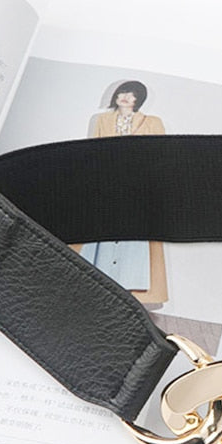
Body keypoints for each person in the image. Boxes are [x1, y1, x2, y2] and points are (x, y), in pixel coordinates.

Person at [78, 81, 168, 304]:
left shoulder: (152, 122)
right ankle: (96, 292)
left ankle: (126, 295)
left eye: (132, 94)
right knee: (101, 239)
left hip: (138, 188)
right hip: (107, 184)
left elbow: (161, 154)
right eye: (122, 92)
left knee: (133, 242)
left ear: (139, 99)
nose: (126, 97)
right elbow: (92, 152)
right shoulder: (102, 120)